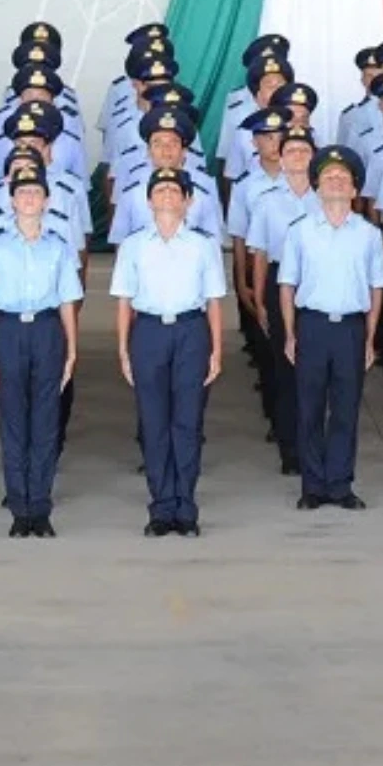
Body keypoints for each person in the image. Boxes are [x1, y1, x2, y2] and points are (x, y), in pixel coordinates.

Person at [112, 164, 227, 536]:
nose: (166, 197)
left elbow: (213, 302)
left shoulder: (202, 245)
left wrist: (216, 351)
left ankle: (186, 506)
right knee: (154, 423)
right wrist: (124, 350)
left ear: (188, 200)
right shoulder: (133, 245)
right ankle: (161, 507)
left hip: (191, 331)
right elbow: (124, 302)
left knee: (187, 423)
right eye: (159, 191)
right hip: (148, 331)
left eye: (174, 191)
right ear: (148, 200)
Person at [0, 160, 83, 538]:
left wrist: (71, 350)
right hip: (8, 330)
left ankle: (41, 505)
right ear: (12, 200)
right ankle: (19, 507)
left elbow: (68, 300)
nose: (29, 198)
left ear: (47, 200)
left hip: (47, 329)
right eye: (22, 193)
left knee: (45, 421)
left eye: (36, 192)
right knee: (14, 421)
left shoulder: (58, 246)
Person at [278, 145, 383, 509]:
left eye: (343, 178)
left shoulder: (369, 235)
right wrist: (291, 334)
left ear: (355, 190)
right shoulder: (300, 231)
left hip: (351, 330)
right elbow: (287, 285)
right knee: (309, 408)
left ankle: (340, 484)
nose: (336, 182)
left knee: (346, 409)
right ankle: (313, 486)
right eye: (329, 177)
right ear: (317, 187)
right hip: (312, 325)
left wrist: (371, 338)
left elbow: (376, 289)